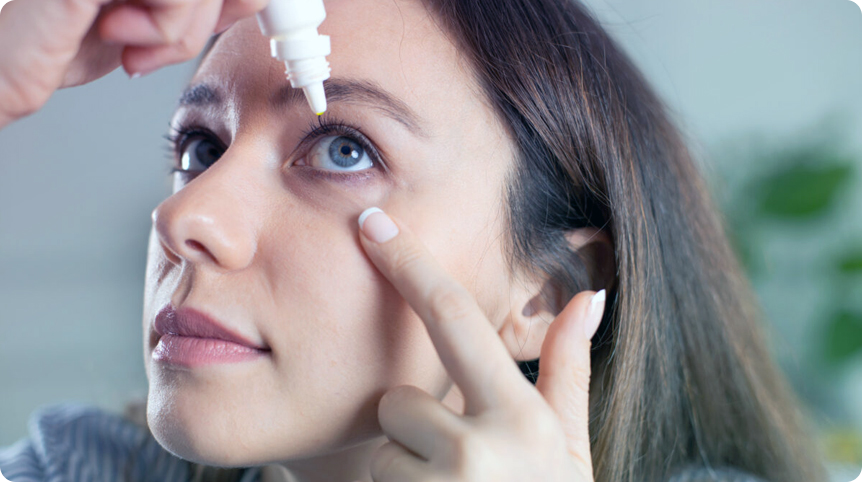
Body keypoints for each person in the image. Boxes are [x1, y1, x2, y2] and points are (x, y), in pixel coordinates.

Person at [0, 0, 828, 481]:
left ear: (549, 291)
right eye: (199, 149)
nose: (186, 219)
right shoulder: (84, 467)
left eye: (345, 150)